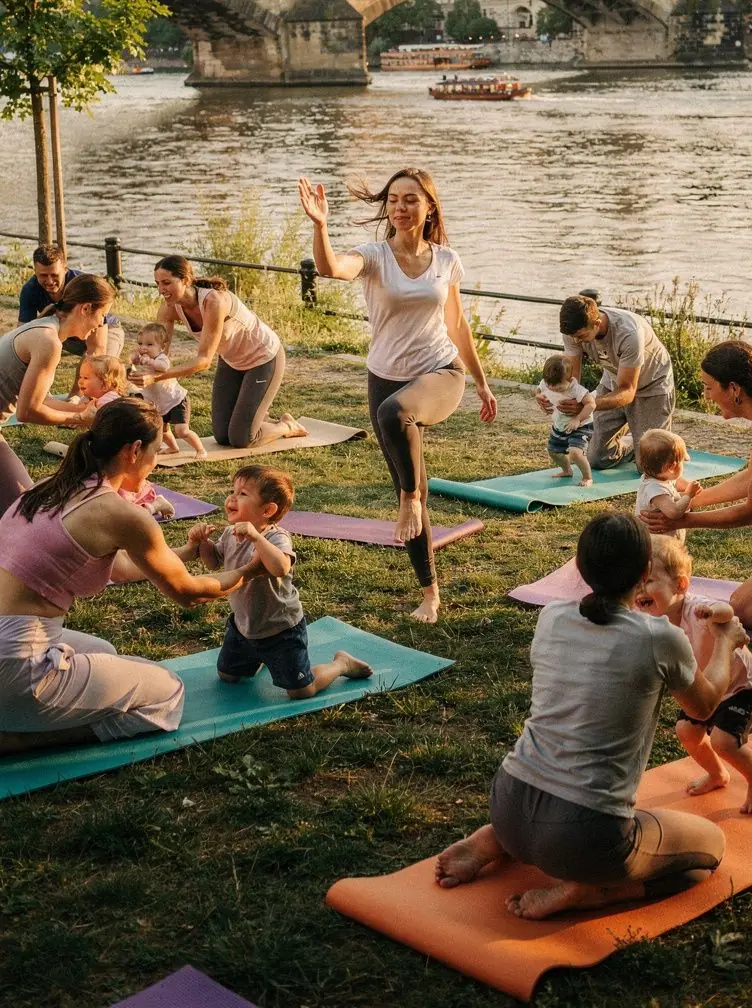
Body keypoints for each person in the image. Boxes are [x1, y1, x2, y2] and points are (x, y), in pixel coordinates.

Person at [435, 512, 748, 920]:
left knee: (539, 815)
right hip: (585, 836)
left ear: (580, 567)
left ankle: (495, 841)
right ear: (643, 573)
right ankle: (593, 891)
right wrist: (725, 642)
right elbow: (703, 707)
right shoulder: (658, 638)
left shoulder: (550, 617)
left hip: (508, 802)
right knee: (708, 851)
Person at [0, 399, 257, 755]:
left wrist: (184, 553)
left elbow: (121, 568)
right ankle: (18, 738)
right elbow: (188, 593)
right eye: (156, 450)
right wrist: (251, 569)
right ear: (135, 450)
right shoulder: (119, 513)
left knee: (105, 651)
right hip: (15, 664)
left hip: (10, 641)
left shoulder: (51, 486)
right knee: (166, 695)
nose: (157, 462)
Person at [298, 168, 497, 624]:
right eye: (393, 200)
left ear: (429, 207)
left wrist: (482, 382)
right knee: (407, 467)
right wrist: (320, 226)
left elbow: (457, 325)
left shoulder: (446, 259)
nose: (401, 208)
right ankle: (430, 592)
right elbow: (331, 268)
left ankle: (410, 498)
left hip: (440, 372)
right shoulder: (372, 256)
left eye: (411, 199)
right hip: (384, 377)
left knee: (398, 429)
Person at [641, 340, 752, 638]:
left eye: (709, 387)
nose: (706, 395)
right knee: (748, 601)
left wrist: (683, 521)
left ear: (734, 389)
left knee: (745, 610)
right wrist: (690, 501)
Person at [184, 465, 373, 698]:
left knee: (302, 691)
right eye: (232, 491)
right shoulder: (230, 533)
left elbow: (280, 567)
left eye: (242, 494)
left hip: (280, 630)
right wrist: (203, 542)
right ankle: (260, 658)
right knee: (228, 676)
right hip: (244, 627)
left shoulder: (276, 537)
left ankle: (342, 664)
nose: (231, 498)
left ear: (268, 510)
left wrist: (255, 537)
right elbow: (213, 562)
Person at [636, 535, 752, 814]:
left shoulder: (696, 608)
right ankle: (717, 774)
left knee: (724, 741)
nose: (641, 590)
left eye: (649, 581)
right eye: (636, 583)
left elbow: (727, 612)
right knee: (686, 731)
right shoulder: (648, 621)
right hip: (704, 686)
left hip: (741, 685)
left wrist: (712, 612)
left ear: (680, 585)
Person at [130, 255, 299, 451]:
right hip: (231, 361)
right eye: (157, 284)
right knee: (222, 436)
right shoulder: (170, 307)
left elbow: (203, 361)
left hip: (264, 357)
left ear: (185, 280)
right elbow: (158, 353)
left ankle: (286, 425)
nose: (161, 290)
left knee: (241, 438)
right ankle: (257, 414)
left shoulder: (214, 302)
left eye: (167, 283)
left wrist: (155, 377)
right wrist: (134, 368)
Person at [0, 274, 115, 514]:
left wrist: (86, 409)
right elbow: (27, 411)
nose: (101, 323)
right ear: (85, 308)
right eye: (102, 314)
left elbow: (43, 400)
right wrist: (79, 419)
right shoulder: (48, 341)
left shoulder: (48, 330)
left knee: (22, 507)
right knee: (23, 510)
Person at [559, 295, 675, 470]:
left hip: (652, 386)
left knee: (650, 467)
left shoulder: (628, 333)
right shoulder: (574, 331)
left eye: (581, 336)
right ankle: (635, 443)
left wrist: (588, 404)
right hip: (613, 380)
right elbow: (572, 380)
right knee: (597, 459)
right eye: (573, 337)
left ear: (597, 324)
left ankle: (651, 446)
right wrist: (552, 397)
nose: (576, 341)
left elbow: (627, 391)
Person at [18, 243, 124, 360]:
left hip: (104, 330)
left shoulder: (85, 285)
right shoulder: (30, 290)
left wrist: (93, 358)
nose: (49, 281)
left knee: (100, 366)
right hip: (70, 334)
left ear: (65, 268)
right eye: (43, 275)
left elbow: (97, 348)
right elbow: (23, 333)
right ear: (35, 271)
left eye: (54, 275)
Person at [129, 322, 207, 459]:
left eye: (149, 344)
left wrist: (150, 362)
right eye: (140, 344)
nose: (143, 348)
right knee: (163, 431)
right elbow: (132, 363)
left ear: (162, 347)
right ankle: (173, 448)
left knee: (182, 431)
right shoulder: (143, 359)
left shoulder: (161, 358)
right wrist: (133, 359)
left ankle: (200, 449)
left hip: (176, 400)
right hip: (160, 404)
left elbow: (164, 367)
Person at [535, 352, 595, 486]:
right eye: (549, 384)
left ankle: (587, 478)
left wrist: (578, 419)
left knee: (575, 453)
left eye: (557, 386)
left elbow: (591, 404)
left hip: (581, 426)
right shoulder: (546, 383)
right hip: (560, 425)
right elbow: (538, 390)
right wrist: (538, 397)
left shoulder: (576, 390)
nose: (552, 388)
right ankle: (567, 471)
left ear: (570, 379)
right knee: (553, 451)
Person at [635, 429, 701, 541]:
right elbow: (673, 512)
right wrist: (689, 495)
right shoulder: (655, 489)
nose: (683, 466)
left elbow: (674, 486)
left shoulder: (659, 477)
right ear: (670, 467)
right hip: (658, 542)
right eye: (681, 462)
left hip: (663, 538)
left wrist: (687, 488)